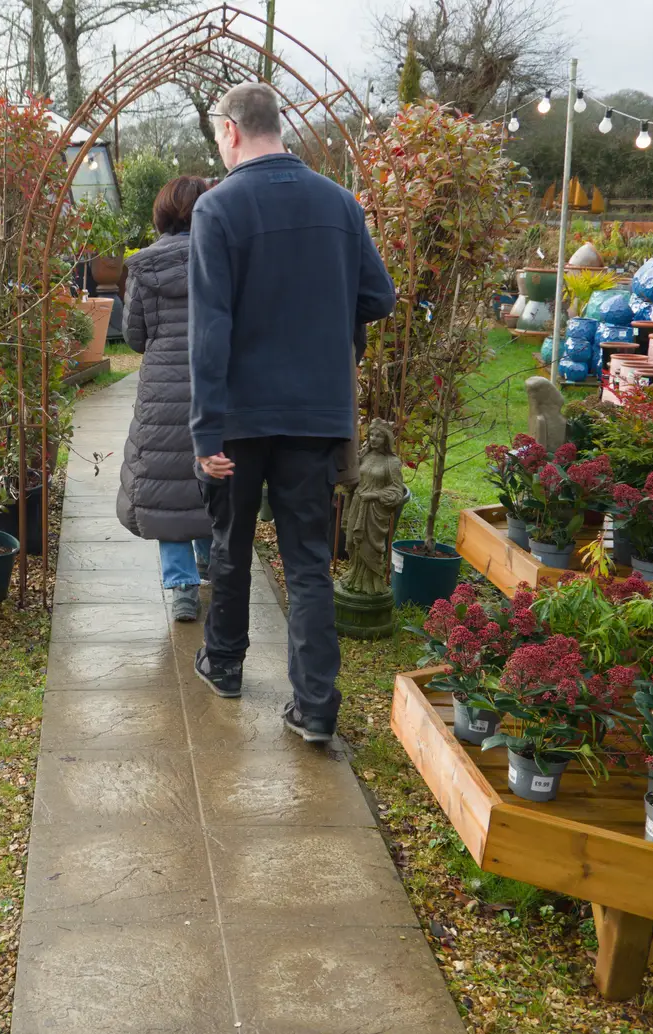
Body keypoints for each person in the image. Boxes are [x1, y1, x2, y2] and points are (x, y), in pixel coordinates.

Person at [188, 83, 397, 744]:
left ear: (231, 130)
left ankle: (225, 664)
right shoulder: (340, 204)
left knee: (231, 542)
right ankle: (315, 706)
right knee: (307, 560)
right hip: (315, 415)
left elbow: (209, 329)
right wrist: (329, 329)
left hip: (238, 419)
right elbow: (379, 297)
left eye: (218, 135)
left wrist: (204, 429)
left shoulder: (217, 208)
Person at [115, 175, 214, 622]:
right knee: (211, 472)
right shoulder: (225, 259)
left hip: (162, 391)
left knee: (164, 483)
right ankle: (210, 557)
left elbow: (135, 337)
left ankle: (183, 588)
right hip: (214, 382)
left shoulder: (143, 268)